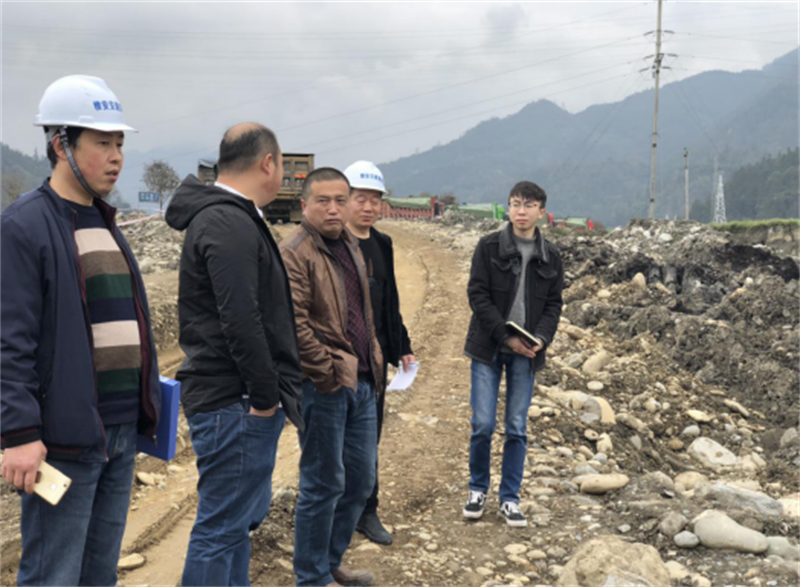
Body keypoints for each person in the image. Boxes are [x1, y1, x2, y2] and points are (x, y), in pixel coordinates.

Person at [0, 75, 161, 587]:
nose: (116, 157)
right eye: (102, 143)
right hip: (65, 439)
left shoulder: (105, 222)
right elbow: (10, 341)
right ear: (60, 145)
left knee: (99, 574)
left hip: (119, 431)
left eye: (120, 144)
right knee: (53, 575)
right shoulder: (24, 226)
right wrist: (20, 434)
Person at [165, 123, 303, 587]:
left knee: (235, 526)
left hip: (236, 400)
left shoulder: (232, 217)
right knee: (222, 527)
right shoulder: (228, 222)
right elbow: (241, 319)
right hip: (235, 400)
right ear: (268, 163)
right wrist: (265, 397)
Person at [280, 167, 383, 587]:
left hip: (362, 381)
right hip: (323, 386)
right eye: (323, 200)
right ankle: (311, 576)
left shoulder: (351, 246)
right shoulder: (294, 252)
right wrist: (324, 372)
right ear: (304, 204)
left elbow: (362, 313)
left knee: (360, 481)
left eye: (341, 200)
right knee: (323, 483)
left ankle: (329, 563)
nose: (334, 208)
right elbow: (295, 323)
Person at [462, 181, 563, 528]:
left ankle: (509, 498)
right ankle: (477, 489)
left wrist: (542, 338)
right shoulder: (489, 246)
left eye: (529, 205)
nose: (521, 211)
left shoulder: (551, 256)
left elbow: (553, 304)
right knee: (483, 424)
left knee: (517, 427)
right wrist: (506, 336)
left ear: (541, 212)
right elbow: (477, 294)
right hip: (489, 346)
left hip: (527, 352)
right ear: (508, 208)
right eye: (515, 204)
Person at [343, 160, 414, 546]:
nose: (369, 207)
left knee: (369, 438)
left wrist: (401, 347)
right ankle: (337, 511)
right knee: (337, 442)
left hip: (374, 362)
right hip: (338, 362)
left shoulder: (382, 244)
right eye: (361, 199)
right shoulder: (333, 242)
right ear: (346, 198)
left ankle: (367, 511)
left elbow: (390, 302)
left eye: (375, 200)